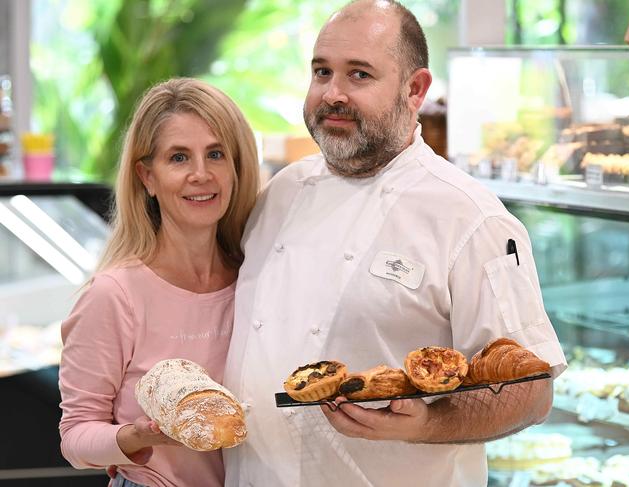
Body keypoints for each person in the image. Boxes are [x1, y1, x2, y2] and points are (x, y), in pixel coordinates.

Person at [222, 1, 567, 486]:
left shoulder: (471, 218)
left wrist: (431, 422)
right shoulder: (280, 191)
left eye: (359, 75)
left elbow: (530, 391)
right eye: (322, 72)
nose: (332, 94)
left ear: (415, 89)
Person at [58, 78, 259, 487]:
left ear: (236, 168)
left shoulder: (257, 277)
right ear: (147, 177)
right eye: (179, 158)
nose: (201, 174)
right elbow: (75, 435)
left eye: (216, 154)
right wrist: (134, 437)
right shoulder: (116, 295)